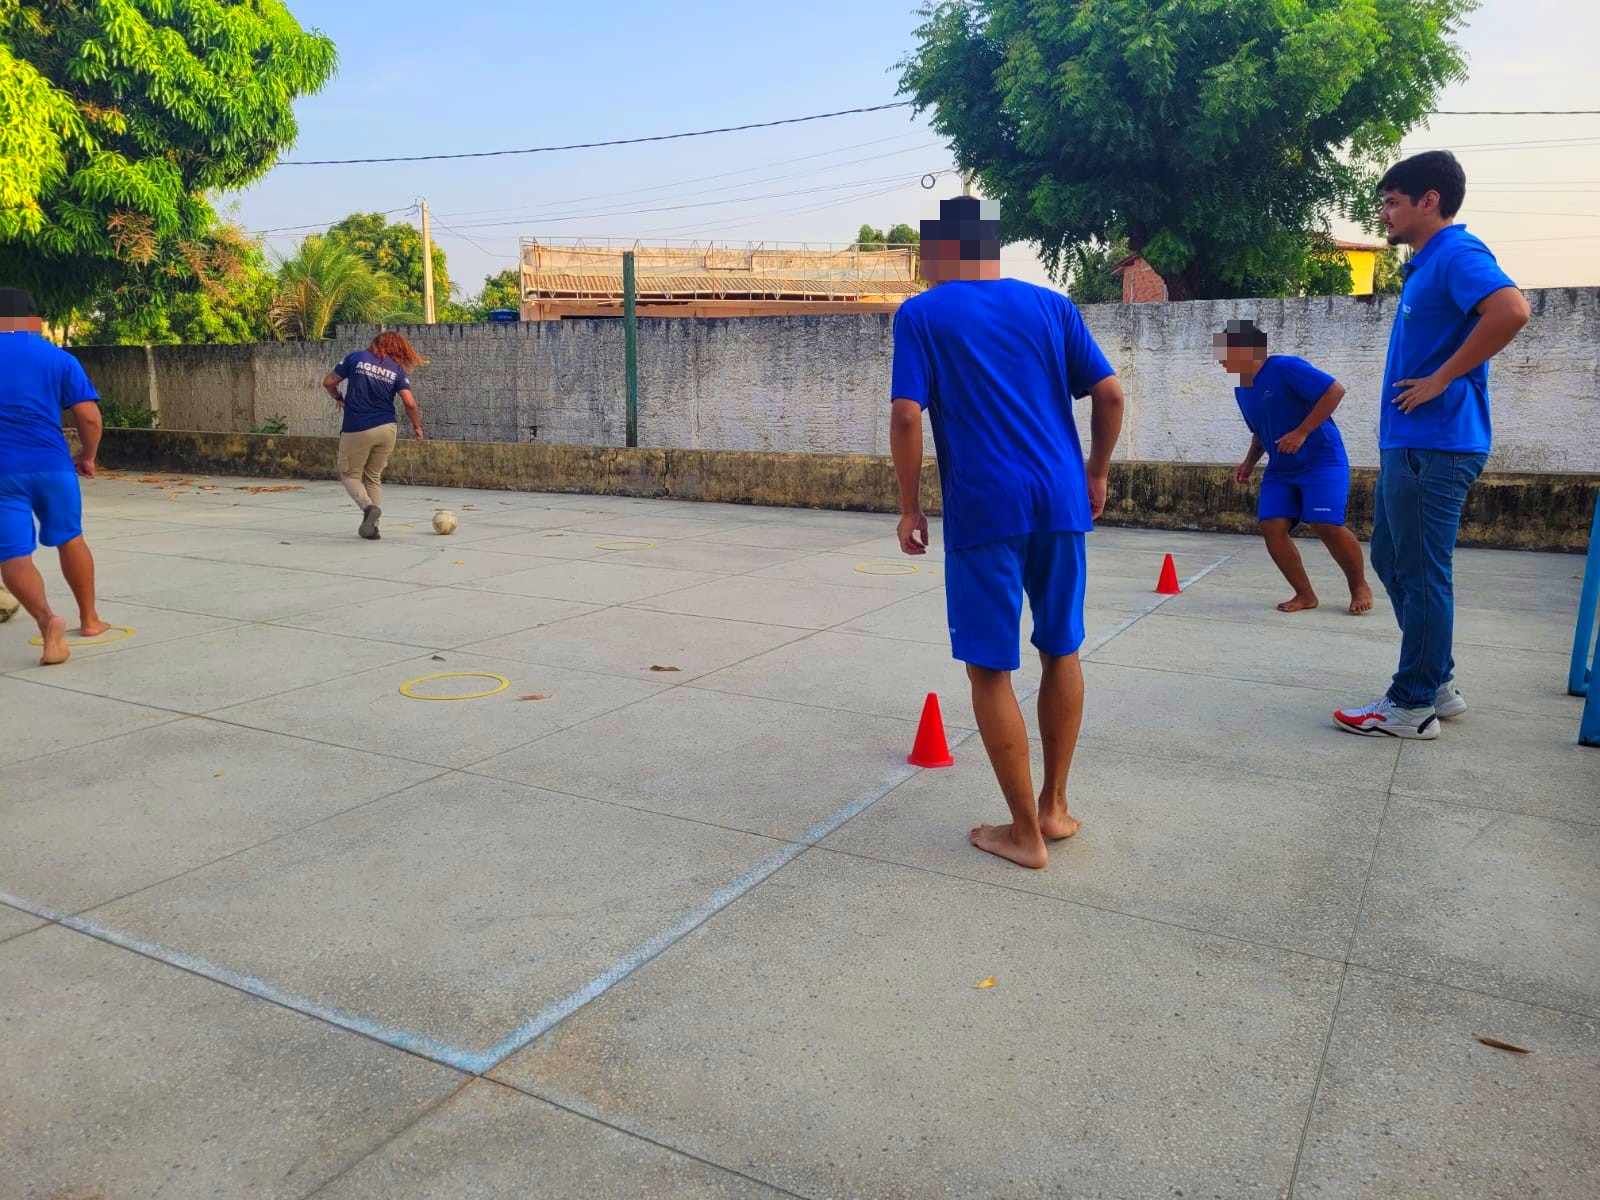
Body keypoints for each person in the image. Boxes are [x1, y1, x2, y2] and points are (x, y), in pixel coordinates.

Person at [890, 195, 1125, 870]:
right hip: (1061, 500)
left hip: (985, 506)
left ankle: (1023, 835)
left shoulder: (922, 313)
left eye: (926, 251)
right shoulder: (1051, 305)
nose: (924, 264)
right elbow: (1110, 393)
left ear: (945, 249)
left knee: (990, 668)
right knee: (1062, 647)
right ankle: (1054, 808)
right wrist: (1096, 472)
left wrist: (909, 506)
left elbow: (906, 416)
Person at [1334, 150, 1530, 739]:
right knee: (1391, 559)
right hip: (1413, 444)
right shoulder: (1426, 265)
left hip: (1435, 445)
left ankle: (1412, 704)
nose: (1384, 214)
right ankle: (1436, 681)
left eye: (1393, 202)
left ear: (1429, 201)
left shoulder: (1456, 253)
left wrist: (1442, 378)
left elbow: (1511, 310)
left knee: (1422, 574)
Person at [1216, 318, 1373, 615]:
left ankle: (1359, 586)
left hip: (1321, 459)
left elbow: (1335, 391)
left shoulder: (1284, 367)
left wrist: (1302, 432)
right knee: (1271, 526)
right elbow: (1260, 432)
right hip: (1281, 469)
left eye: (1225, 353)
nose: (1221, 360)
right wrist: (1248, 463)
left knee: (1326, 524)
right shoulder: (1242, 389)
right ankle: (1304, 594)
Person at [0, 287, 110, 666]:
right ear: (33, 319)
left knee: (13, 555)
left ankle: (47, 621)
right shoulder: (58, 358)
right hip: (53, 465)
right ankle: (90, 620)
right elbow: (89, 417)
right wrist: (88, 456)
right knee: (70, 537)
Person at [322, 331, 426, 539]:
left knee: (349, 475)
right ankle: (372, 528)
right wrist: (417, 427)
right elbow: (410, 403)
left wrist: (338, 397)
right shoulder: (396, 369)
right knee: (373, 477)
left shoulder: (356, 357)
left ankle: (368, 508)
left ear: (375, 343)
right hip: (387, 429)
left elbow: (328, 382)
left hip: (358, 427)